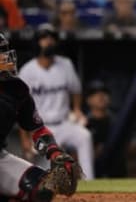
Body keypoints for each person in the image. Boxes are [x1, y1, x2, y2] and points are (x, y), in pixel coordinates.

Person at [0, 33, 80, 201]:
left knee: (44, 189)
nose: (5, 57)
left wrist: (54, 152)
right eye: (0, 53)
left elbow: (37, 129)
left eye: (5, 51)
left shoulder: (16, 89)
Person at [18, 24, 95, 180]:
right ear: (37, 42)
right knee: (46, 177)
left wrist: (77, 108)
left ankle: (89, 183)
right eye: (44, 38)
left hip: (64, 123)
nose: (49, 42)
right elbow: (20, 107)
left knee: (84, 136)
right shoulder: (27, 71)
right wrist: (25, 139)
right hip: (41, 129)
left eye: (51, 38)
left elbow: (76, 89)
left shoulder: (65, 64)